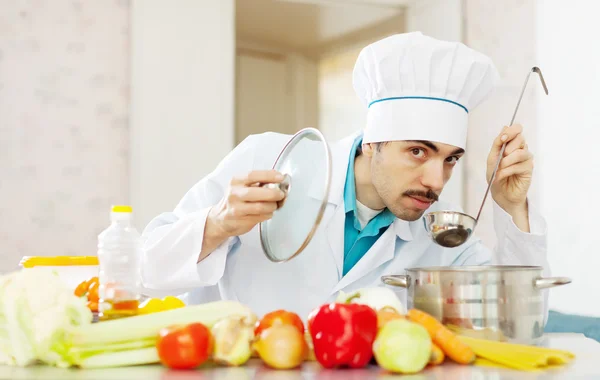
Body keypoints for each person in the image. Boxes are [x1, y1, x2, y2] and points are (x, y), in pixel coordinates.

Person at [139, 32, 550, 320]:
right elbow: (144, 271)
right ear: (372, 141)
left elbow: (515, 318)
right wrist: (218, 223)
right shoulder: (270, 159)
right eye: (417, 151)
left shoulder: (441, 235)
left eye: (450, 159)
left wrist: (512, 208)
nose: (436, 182)